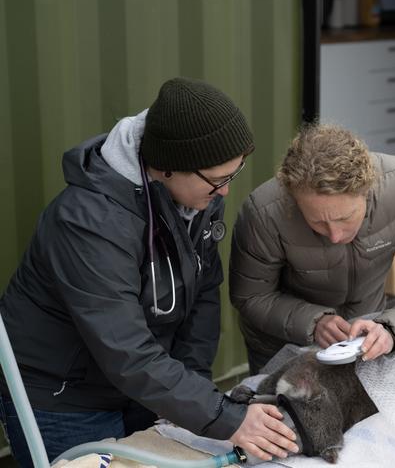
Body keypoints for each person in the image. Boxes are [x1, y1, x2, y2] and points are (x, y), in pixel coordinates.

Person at [0, 77, 298, 466]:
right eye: (218, 179)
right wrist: (220, 415)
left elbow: (203, 294)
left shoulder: (197, 195)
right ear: (168, 168)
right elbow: (124, 348)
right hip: (64, 398)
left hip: (144, 387)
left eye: (234, 174)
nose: (225, 191)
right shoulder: (88, 222)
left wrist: (190, 393)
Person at [229, 123, 395, 374]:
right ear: (294, 199)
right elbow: (251, 295)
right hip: (283, 344)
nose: (335, 236)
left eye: (345, 218)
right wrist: (313, 322)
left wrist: (391, 329)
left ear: (367, 190)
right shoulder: (264, 212)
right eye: (317, 222)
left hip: (366, 337)